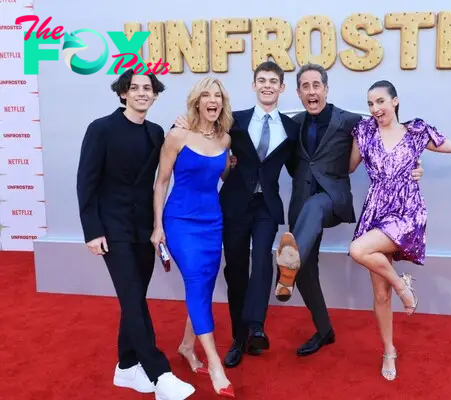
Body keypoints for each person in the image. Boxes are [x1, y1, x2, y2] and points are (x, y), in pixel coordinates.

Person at [347, 79, 451, 381]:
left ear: (395, 101)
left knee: (358, 250)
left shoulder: (416, 132)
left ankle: (403, 287)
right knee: (380, 295)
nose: (375, 109)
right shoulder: (364, 131)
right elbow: (348, 167)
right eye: (370, 104)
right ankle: (389, 350)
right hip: (375, 210)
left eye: (380, 101)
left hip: (406, 211)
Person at [273, 64, 425, 357]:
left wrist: (414, 166)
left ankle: (288, 266)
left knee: (316, 206)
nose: (311, 91)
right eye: (305, 86)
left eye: (317, 85)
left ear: (326, 90)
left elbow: (391, 128)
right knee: (305, 270)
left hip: (331, 200)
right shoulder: (293, 124)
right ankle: (323, 329)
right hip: (300, 204)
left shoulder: (350, 120)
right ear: (299, 93)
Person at [76, 69, 195, 400]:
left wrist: (181, 129)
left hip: (144, 230)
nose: (142, 92)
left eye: (148, 88)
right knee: (132, 299)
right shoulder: (100, 129)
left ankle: (126, 367)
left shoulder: (156, 133)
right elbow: (86, 182)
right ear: (123, 93)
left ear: (155, 95)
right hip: (112, 230)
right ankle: (161, 375)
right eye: (135, 88)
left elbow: (167, 163)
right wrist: (92, 230)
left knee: (134, 300)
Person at [173, 61, 300, 368]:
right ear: (254, 85)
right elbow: (204, 133)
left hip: (267, 207)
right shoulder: (234, 121)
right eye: (262, 80)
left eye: (273, 81)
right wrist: (183, 125)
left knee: (261, 263)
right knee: (236, 270)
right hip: (233, 204)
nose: (267, 85)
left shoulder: (292, 128)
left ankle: (256, 325)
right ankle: (238, 338)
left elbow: (299, 170)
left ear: (282, 88)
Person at [151, 76, 235, 399]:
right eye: (207, 95)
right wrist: (158, 227)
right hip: (180, 221)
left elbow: (221, 174)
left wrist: (230, 167)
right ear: (197, 101)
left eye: (218, 96)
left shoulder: (225, 139)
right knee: (198, 280)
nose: (213, 100)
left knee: (204, 285)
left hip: (212, 222)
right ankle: (215, 364)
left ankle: (188, 345)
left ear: (222, 104)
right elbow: (161, 183)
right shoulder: (177, 135)